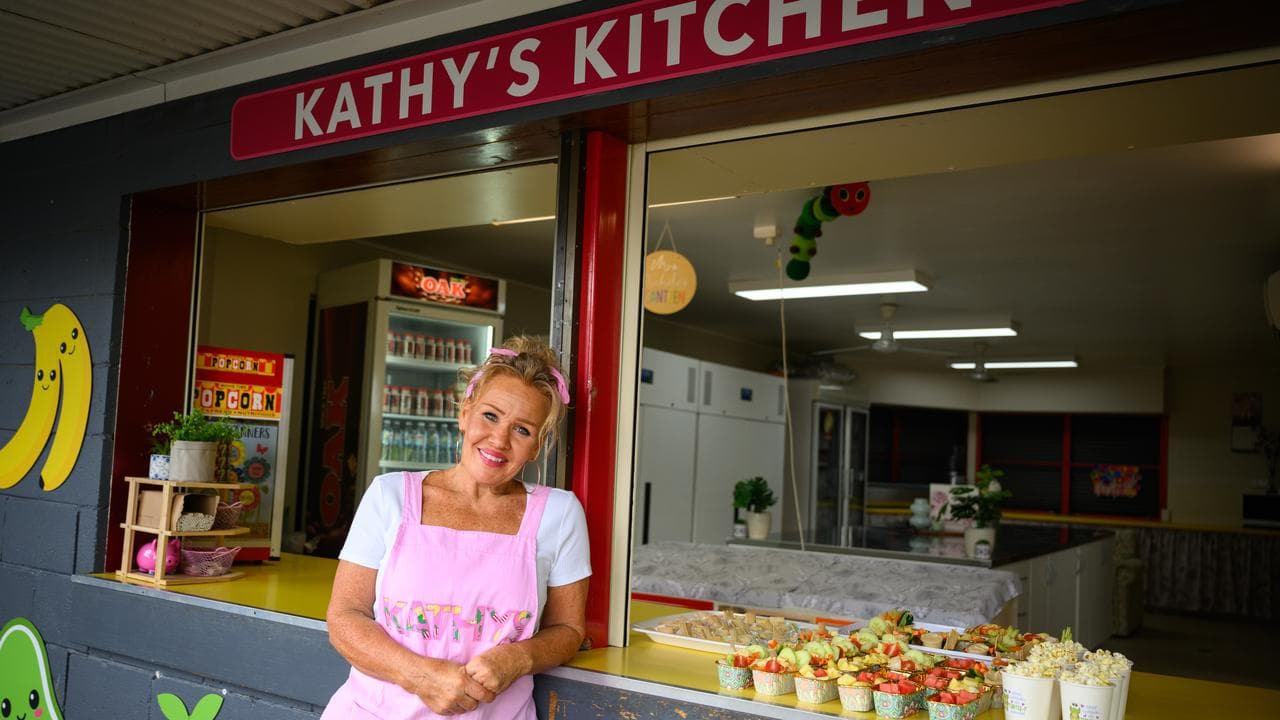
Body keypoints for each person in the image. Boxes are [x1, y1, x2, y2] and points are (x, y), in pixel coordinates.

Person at [322, 336, 591, 718]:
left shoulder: (559, 514)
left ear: (537, 446)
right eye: (491, 415)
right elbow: (344, 618)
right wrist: (421, 677)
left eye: (523, 430)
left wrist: (518, 657)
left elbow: (567, 629)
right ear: (465, 413)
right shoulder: (390, 495)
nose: (499, 440)